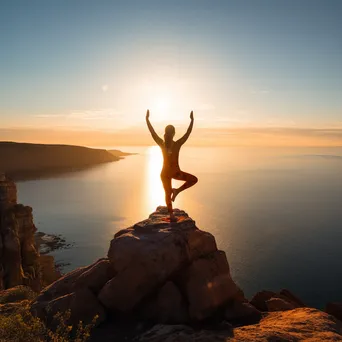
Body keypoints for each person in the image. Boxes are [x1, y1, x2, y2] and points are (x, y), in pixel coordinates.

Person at [146, 109, 198, 222]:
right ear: (174, 133)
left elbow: (152, 132)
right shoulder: (177, 144)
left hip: (165, 173)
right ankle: (177, 191)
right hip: (175, 172)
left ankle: (172, 214)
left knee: (167, 193)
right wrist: (192, 120)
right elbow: (188, 133)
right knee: (193, 180)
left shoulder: (161, 143)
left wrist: (147, 119)